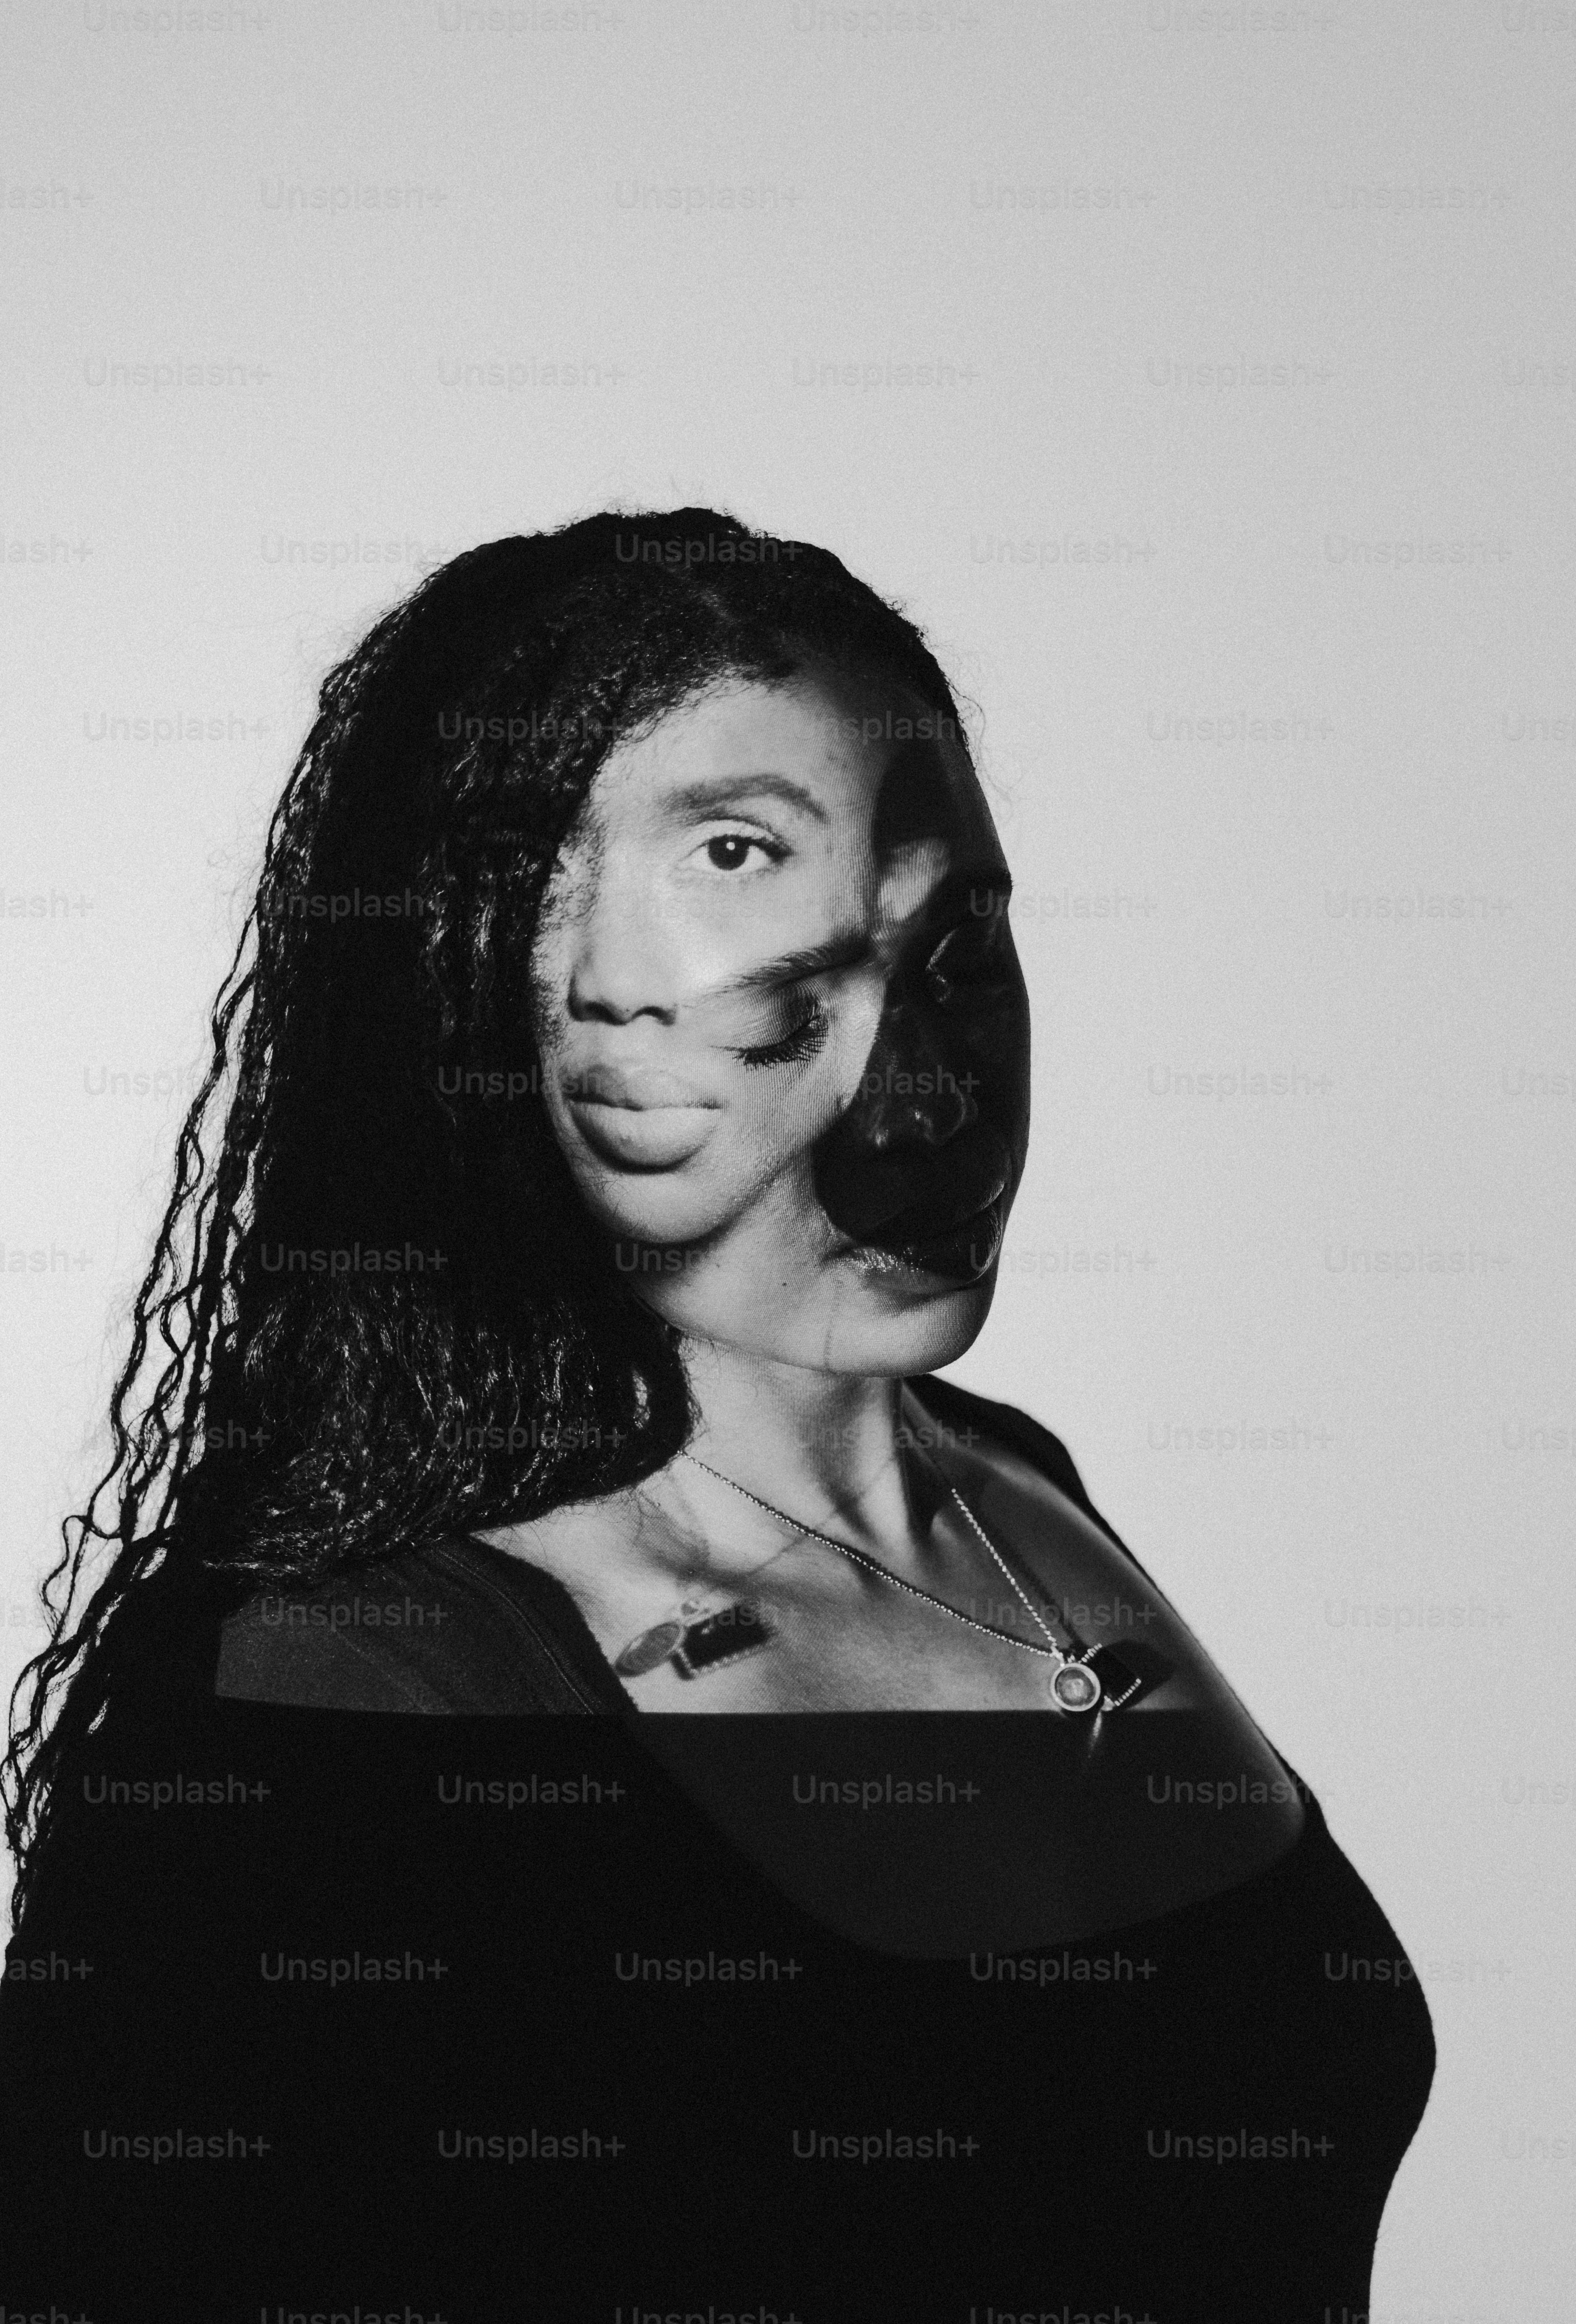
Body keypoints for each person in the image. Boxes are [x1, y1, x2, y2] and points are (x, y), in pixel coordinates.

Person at [0, 509, 1434, 2322]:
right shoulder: (351, 1694)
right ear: (483, 1024)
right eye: (788, 1005)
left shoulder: (1017, 1499)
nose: (922, 1100)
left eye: (954, 960)